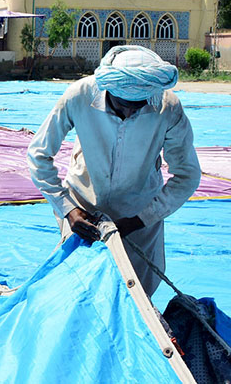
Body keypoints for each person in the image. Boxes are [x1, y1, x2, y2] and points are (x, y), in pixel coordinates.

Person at [27, 45, 200, 296]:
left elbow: (187, 175)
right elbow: (39, 154)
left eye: (138, 105)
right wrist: (68, 209)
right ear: (108, 90)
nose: (129, 112)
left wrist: (141, 219)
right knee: (78, 290)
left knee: (136, 293)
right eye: (122, 104)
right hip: (83, 210)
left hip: (140, 214)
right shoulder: (80, 95)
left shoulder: (167, 108)